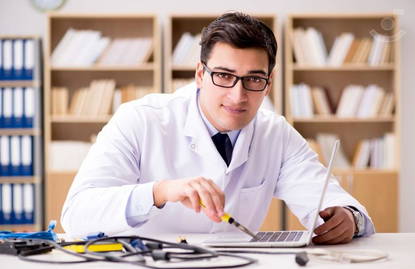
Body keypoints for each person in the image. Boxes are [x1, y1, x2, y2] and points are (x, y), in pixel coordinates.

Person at [61, 12, 374, 244]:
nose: (238, 96)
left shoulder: (275, 133)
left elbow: (331, 200)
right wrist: (160, 191)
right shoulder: (139, 119)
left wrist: (348, 217)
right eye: (223, 75)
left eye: (254, 79)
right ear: (200, 74)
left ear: (268, 84)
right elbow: (76, 217)